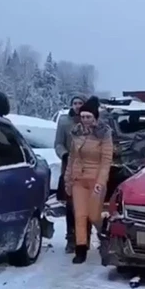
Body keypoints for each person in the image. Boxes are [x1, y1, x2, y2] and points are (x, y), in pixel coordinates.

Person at [64, 97, 113, 264]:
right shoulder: (76, 132)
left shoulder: (104, 134)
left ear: (95, 117)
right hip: (79, 179)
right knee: (80, 215)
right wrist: (68, 179)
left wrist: (101, 182)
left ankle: (105, 236)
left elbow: (106, 160)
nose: (85, 120)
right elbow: (72, 158)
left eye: (88, 117)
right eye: (83, 117)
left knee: (93, 215)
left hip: (96, 179)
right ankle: (81, 249)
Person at [55, 96, 86, 253]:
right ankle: (71, 239)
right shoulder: (64, 122)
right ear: (71, 105)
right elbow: (58, 143)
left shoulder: (90, 121)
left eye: (80, 103)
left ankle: (84, 238)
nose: (77, 106)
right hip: (69, 169)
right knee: (71, 206)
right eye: (75, 103)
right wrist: (64, 154)